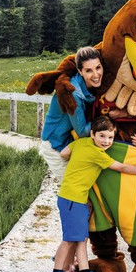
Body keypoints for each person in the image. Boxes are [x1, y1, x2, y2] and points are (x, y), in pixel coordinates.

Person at [48, 115, 136, 272]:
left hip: (77, 199)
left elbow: (63, 153)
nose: (106, 141)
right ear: (93, 134)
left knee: (81, 239)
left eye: (110, 137)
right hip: (72, 199)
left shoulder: (81, 143)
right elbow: (121, 167)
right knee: (69, 240)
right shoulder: (98, 154)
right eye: (102, 136)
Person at [38, 46, 104, 179]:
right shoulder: (73, 94)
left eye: (98, 67)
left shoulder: (89, 87)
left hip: (68, 143)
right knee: (72, 190)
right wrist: (105, 118)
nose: (96, 75)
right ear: (80, 71)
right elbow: (82, 131)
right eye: (88, 70)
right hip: (55, 145)